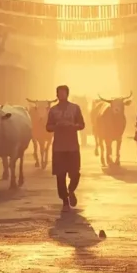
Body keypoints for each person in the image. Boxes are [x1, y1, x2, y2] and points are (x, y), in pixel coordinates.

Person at [45, 84, 85, 212]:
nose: (61, 95)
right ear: (56, 95)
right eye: (59, 93)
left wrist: (72, 125)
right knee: (60, 176)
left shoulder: (75, 108)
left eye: (63, 93)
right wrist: (57, 126)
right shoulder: (53, 110)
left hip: (72, 147)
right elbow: (48, 127)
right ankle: (64, 201)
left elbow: (82, 125)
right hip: (58, 148)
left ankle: (71, 190)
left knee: (75, 173)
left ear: (67, 94)